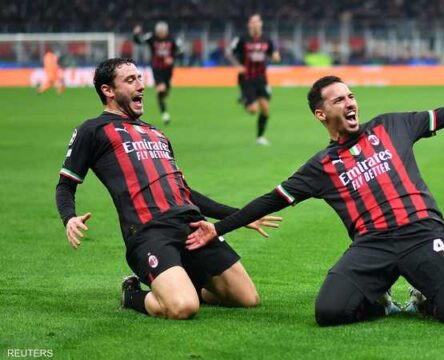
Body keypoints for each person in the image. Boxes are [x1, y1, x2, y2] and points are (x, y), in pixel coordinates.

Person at [184, 70, 444, 326]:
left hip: (422, 233)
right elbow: (270, 200)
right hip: (372, 245)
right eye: (339, 99)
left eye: (351, 96)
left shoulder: (392, 125)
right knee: (329, 313)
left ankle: (423, 296)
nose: (350, 102)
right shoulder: (321, 166)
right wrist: (218, 229)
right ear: (321, 114)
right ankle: (379, 300)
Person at [55, 57, 281, 319]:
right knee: (183, 308)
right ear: (108, 91)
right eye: (130, 80)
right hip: (149, 231)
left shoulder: (156, 133)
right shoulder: (92, 130)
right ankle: (133, 295)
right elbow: (65, 185)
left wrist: (241, 216)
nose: (141, 85)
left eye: (140, 78)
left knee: (247, 299)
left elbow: (185, 193)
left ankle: (181, 283)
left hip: (192, 224)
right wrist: (69, 218)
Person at [226, 14, 281, 146]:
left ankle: (260, 137)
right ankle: (245, 98)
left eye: (257, 22)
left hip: (261, 78)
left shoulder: (267, 39)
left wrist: (275, 57)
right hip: (246, 78)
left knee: (266, 110)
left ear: (261, 24)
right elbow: (229, 52)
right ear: (249, 25)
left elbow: (274, 55)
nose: (255, 24)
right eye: (253, 22)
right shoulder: (242, 39)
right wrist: (238, 65)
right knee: (252, 110)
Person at [133, 21, 181, 125]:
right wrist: (136, 34)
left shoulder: (172, 39)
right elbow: (139, 41)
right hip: (157, 68)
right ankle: (164, 114)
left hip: (168, 69)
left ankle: (163, 106)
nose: (161, 33)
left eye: (163, 31)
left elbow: (179, 52)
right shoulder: (152, 38)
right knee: (161, 89)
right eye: (159, 31)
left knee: (165, 92)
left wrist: (172, 58)